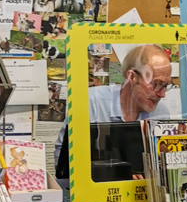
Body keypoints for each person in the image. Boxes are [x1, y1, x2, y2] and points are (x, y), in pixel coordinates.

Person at [54, 44, 172, 176]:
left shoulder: (160, 113)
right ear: (132, 77)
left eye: (166, 85)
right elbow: (64, 161)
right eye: (156, 84)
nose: (162, 94)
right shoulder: (91, 102)